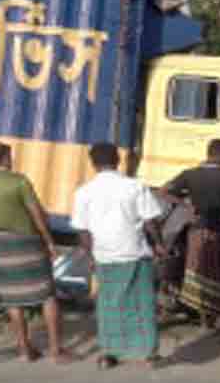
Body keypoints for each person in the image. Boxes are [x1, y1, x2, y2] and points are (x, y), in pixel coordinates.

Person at [0, 143, 74, 363]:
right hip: (27, 244)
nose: (12, 159)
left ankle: (24, 350)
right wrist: (49, 240)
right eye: (10, 156)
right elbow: (36, 214)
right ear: (4, 158)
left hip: (2, 245)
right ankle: (56, 351)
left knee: (13, 300)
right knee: (47, 296)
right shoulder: (19, 181)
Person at [70, 142, 166, 369]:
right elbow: (151, 221)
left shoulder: (84, 191)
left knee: (109, 305)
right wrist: (159, 244)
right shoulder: (134, 186)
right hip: (134, 253)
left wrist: (91, 256)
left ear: (92, 164)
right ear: (118, 160)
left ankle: (108, 353)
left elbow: (82, 229)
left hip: (105, 255)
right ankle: (147, 354)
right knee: (141, 304)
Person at [165, 139, 220, 339]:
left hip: (198, 230)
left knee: (198, 273)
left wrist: (186, 206)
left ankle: (204, 320)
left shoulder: (190, 174)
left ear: (208, 152)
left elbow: (164, 191)